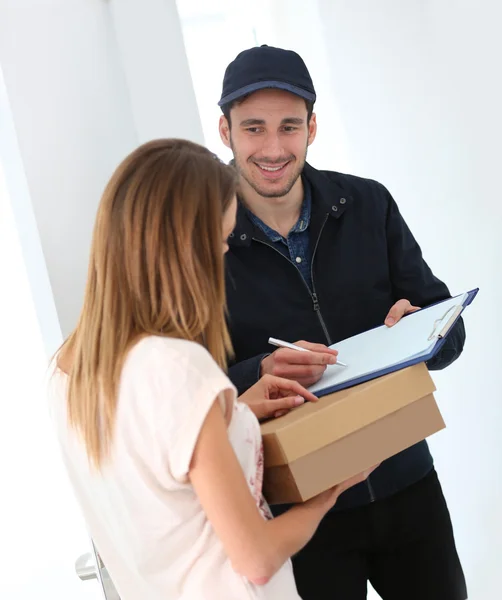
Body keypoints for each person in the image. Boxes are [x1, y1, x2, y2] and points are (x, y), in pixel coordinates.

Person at [48, 138, 374, 600]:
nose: (223, 259)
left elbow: (154, 464)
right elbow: (257, 560)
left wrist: (235, 411)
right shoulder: (176, 367)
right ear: (186, 247)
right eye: (221, 241)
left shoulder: (66, 369)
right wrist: (332, 490)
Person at [219, 45, 468, 600]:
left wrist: (423, 334)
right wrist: (257, 372)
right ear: (225, 131)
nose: (274, 148)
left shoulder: (368, 203)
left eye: (289, 127)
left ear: (312, 127)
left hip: (406, 478)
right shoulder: (201, 238)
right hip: (299, 507)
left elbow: (448, 329)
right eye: (254, 128)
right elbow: (190, 391)